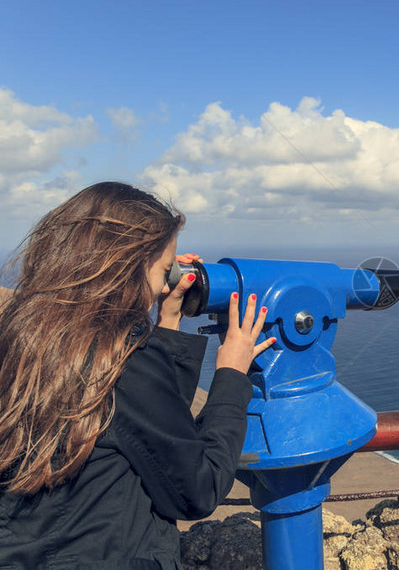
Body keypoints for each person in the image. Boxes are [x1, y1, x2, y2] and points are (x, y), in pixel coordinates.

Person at [0, 182, 275, 569]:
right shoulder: (122, 364)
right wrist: (231, 372)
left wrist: (169, 319)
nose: (167, 284)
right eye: (165, 270)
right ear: (127, 265)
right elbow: (197, 489)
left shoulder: (23, 338)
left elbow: (155, 433)